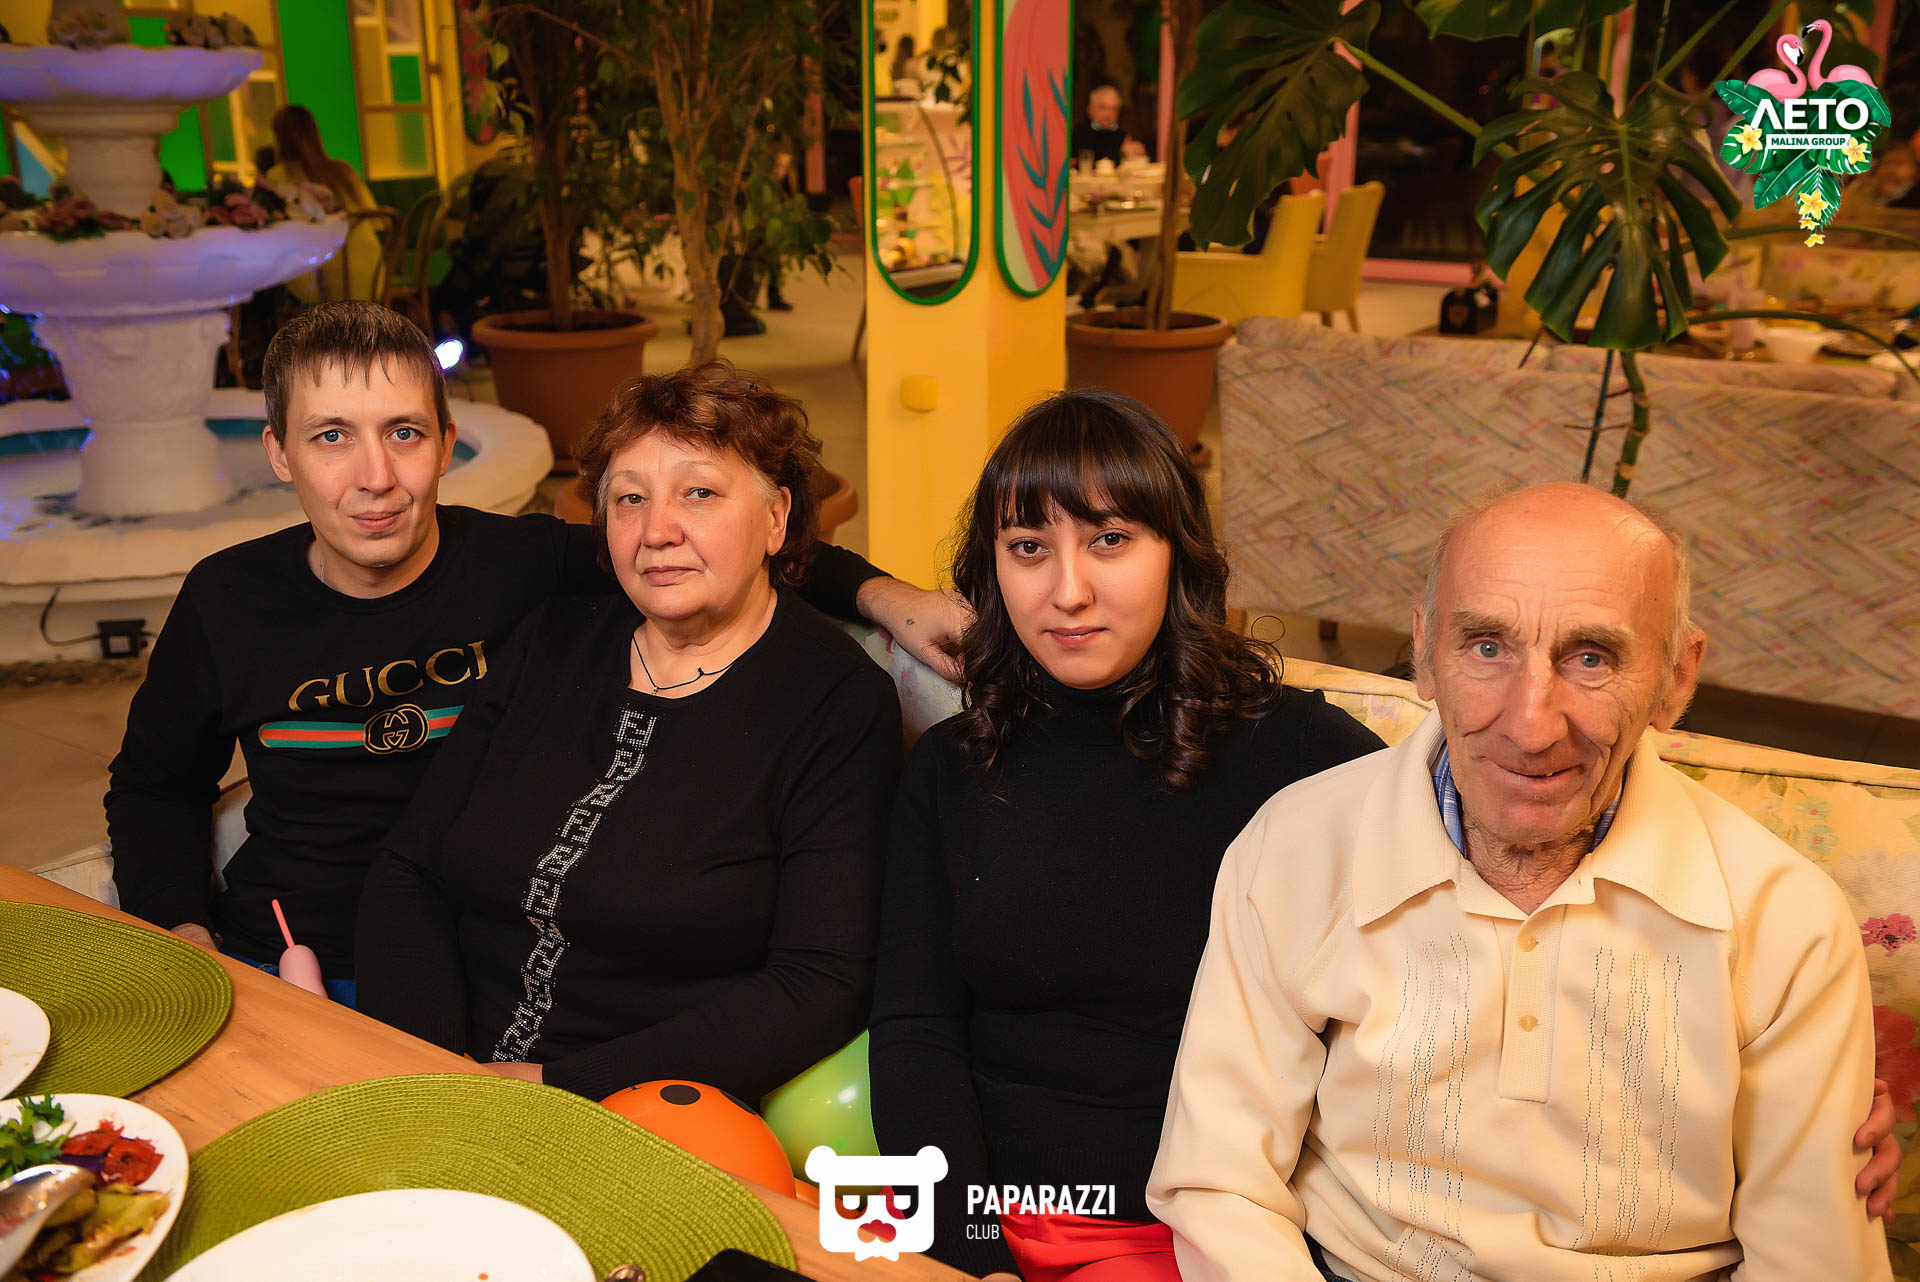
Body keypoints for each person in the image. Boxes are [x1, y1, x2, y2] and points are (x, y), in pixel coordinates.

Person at [106, 302, 964, 1005]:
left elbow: (705, 544)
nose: (375, 477)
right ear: (278, 453)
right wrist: (184, 934)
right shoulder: (227, 600)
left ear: (447, 443)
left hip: (473, 953)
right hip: (276, 952)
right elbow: (154, 786)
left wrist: (883, 595)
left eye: (404, 433)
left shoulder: (520, 563)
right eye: (331, 436)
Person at [1148, 483, 1899, 1281]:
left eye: (1591, 658)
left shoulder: (1788, 921)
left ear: (1677, 679)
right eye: (1487, 647)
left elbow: (1812, 1261)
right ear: (1425, 651)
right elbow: (1222, 1182)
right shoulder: (1295, 847)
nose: (1531, 725)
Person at [868, 389, 1385, 1281]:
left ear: (1176, 552)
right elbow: (917, 1031)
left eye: (1110, 540)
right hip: (986, 1224)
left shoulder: (1302, 753)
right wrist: (969, 1255)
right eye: (1029, 548)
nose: (1068, 592)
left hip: (1213, 1235)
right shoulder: (952, 767)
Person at [356, 365, 901, 1101]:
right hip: (437, 1072)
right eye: (630, 499)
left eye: (699, 492)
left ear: (776, 518)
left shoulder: (836, 702)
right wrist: (432, 1071)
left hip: (641, 1107)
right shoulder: (550, 639)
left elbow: (818, 982)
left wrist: (555, 1086)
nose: (656, 531)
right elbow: (408, 868)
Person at [267, 105, 381, 303]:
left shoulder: (278, 177)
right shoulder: (345, 171)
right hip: (375, 277)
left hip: (324, 282)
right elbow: (378, 222)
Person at [1071, 86, 1147, 169]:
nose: (1108, 113)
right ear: (1090, 109)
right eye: (1103, 107)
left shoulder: (1121, 134)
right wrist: (1120, 152)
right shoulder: (1078, 133)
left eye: (1114, 109)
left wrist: (1134, 154)